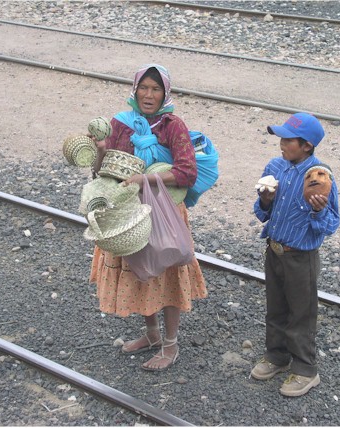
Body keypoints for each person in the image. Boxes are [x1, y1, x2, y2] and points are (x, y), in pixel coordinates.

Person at [88, 64, 207, 371]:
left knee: (166, 274)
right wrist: (100, 150)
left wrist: (146, 180)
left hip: (164, 212)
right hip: (130, 213)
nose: (149, 95)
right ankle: (152, 334)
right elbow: (102, 173)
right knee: (140, 271)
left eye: (156, 89)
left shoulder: (172, 125)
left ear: (165, 93)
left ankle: (171, 345)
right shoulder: (120, 124)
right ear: (135, 90)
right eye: (144, 88)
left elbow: (187, 172)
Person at [251, 112, 340, 396]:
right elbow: (263, 213)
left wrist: (318, 210)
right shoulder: (275, 166)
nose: (281, 143)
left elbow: (331, 224)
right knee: (276, 307)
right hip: (274, 250)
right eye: (281, 138)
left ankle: (305, 369)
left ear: (307, 146)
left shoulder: (319, 177)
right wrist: (265, 200)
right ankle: (276, 356)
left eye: (288, 140)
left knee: (301, 313)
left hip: (301, 257)